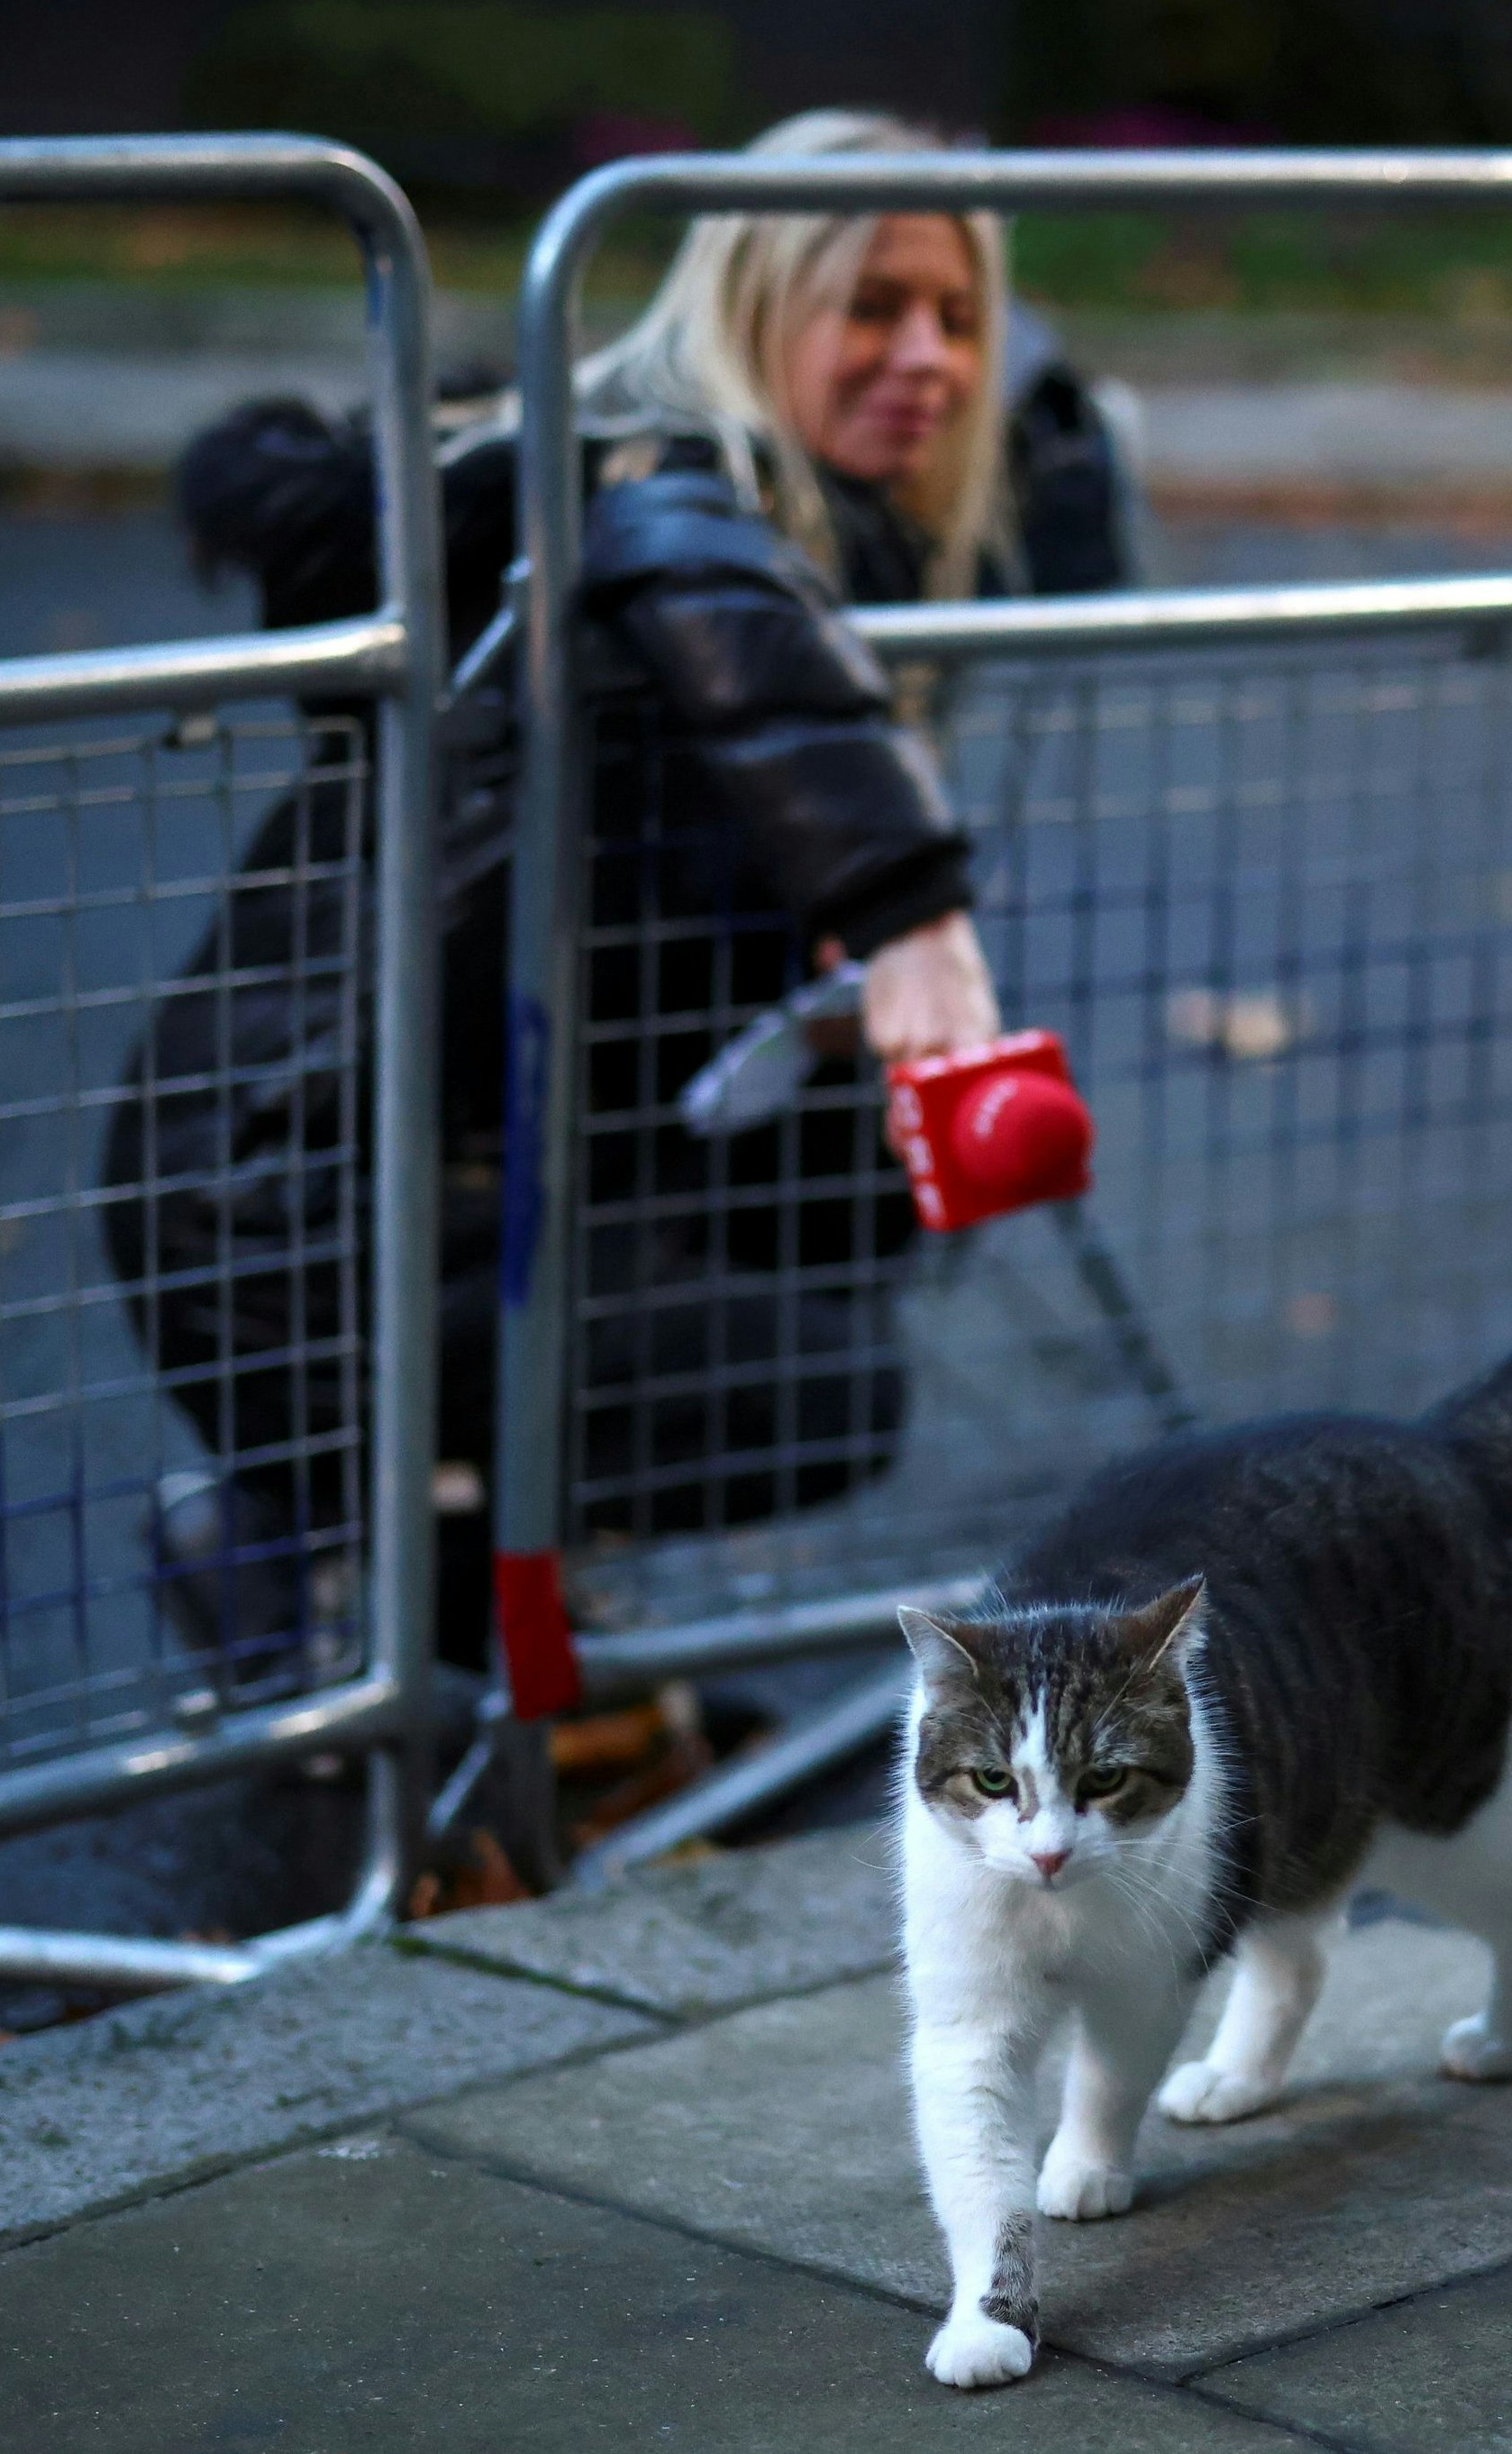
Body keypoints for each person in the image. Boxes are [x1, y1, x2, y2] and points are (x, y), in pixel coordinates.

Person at [104, 111, 1135, 1682]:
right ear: (752, 305)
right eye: (871, 307)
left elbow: (1047, 532)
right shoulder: (629, 489)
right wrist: (910, 918)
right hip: (281, 1191)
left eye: (959, 317)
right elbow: (686, 549)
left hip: (474, 1155)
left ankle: (376, 1586)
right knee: (821, 1395)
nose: (928, 357)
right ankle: (404, 1623)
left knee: (852, 1204)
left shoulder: (830, 527)